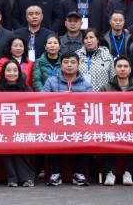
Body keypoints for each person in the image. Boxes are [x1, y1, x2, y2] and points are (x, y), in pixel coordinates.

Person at [42, 52, 92, 186]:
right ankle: (56, 173)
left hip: (79, 123)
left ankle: (79, 173)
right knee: (53, 135)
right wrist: (60, 98)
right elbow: (42, 101)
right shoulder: (51, 81)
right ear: (61, 65)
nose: (69, 65)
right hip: (56, 121)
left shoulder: (86, 85)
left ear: (78, 65)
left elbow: (89, 106)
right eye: (66, 62)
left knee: (89, 135)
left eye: (73, 62)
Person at [98, 56, 133, 186]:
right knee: (107, 137)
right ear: (114, 69)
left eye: (125, 66)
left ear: (130, 69)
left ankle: (128, 172)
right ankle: (109, 173)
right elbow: (99, 106)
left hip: (132, 125)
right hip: (110, 125)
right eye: (119, 66)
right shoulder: (106, 87)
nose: (122, 69)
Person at [0, 60, 35, 187]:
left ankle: (27, 177)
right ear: (3, 73)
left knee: (22, 149)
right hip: (4, 127)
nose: (12, 73)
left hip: (23, 126)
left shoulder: (27, 90)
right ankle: (12, 178)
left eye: (15, 70)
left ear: (19, 72)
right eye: (8, 70)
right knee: (6, 149)